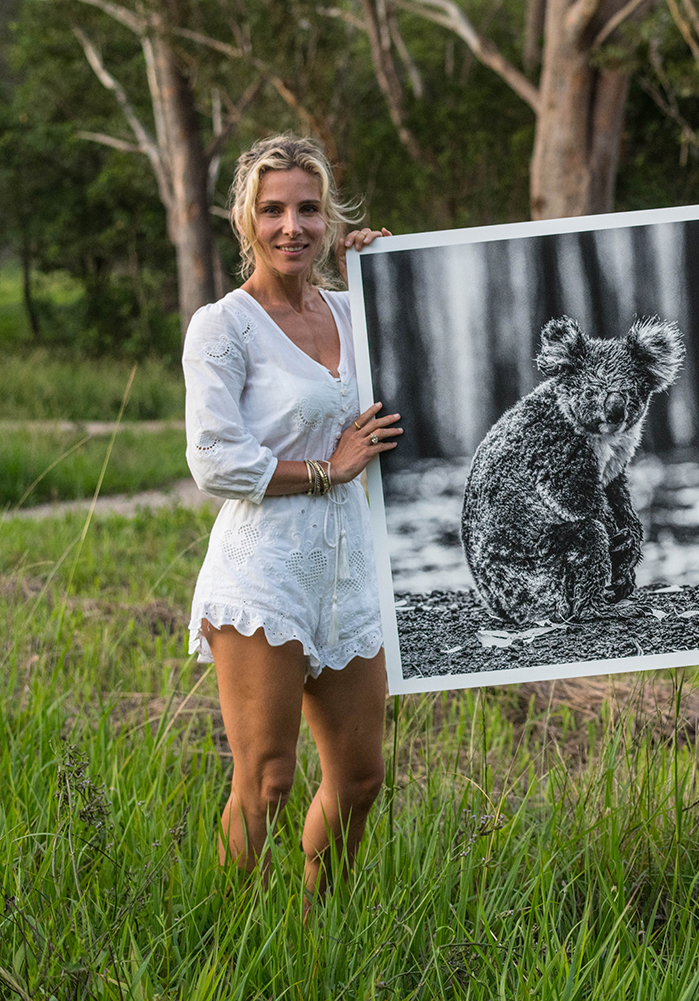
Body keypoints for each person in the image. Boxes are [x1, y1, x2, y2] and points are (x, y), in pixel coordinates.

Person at [183, 134, 397, 894]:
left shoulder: (352, 309)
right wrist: (325, 468)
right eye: (272, 210)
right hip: (263, 573)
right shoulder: (224, 326)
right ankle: (231, 945)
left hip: (349, 573)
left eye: (309, 208)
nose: (292, 226)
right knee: (267, 781)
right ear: (246, 221)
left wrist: (390, 276)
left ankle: (316, 938)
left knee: (362, 778)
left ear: (330, 216)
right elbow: (213, 457)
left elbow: (408, 377)